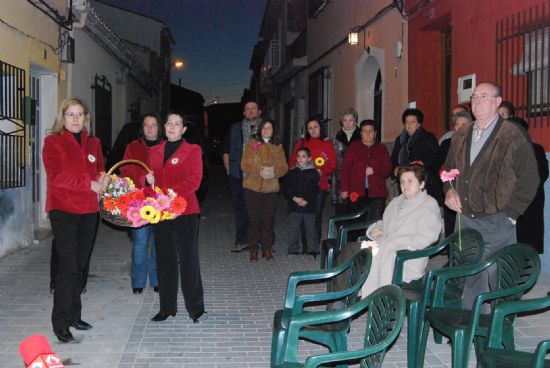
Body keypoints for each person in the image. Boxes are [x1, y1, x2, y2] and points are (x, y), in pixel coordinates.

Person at [444, 82, 539, 310]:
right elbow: (447, 169)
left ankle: (499, 329)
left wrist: (512, 214)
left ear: (497, 102)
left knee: (499, 278)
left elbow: (530, 178)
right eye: (474, 97)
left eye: (484, 96)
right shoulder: (461, 135)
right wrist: (449, 191)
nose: (477, 101)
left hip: (497, 220)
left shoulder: (512, 135)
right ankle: (472, 327)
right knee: (469, 276)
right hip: (465, 218)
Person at [43, 97, 109, 343]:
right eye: (71, 114)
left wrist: (103, 179)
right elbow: (56, 176)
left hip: (88, 211)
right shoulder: (53, 142)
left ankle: (74, 315)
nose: (75, 119)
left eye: (80, 114)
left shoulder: (94, 143)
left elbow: (100, 168)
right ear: (63, 117)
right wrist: (88, 183)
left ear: (86, 118)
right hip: (64, 211)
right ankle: (60, 322)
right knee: (68, 267)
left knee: (80, 266)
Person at [336, 165, 442, 297]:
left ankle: (342, 301)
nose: (405, 185)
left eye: (410, 181)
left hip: (403, 258)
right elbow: (384, 223)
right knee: (349, 249)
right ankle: (339, 299)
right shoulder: (397, 202)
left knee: (357, 258)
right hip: (382, 248)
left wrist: (394, 244)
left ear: (421, 184)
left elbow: (426, 238)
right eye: (402, 181)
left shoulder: (428, 205)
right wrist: (378, 229)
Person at [145, 112, 206, 323]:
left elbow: (194, 181)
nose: (172, 127)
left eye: (177, 124)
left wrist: (168, 195)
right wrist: (149, 183)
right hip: (160, 212)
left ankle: (195, 307)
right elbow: (151, 184)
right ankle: (167, 307)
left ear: (184, 129)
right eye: (169, 123)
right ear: (164, 126)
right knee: (165, 260)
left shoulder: (192, 150)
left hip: (185, 210)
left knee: (188, 259)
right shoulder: (154, 151)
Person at [119, 114, 162, 294]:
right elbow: (125, 170)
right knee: (140, 242)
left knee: (158, 244)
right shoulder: (133, 147)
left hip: (162, 203)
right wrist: (143, 179)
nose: (150, 128)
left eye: (153, 125)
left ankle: (157, 279)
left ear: (159, 127)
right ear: (142, 128)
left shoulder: (165, 147)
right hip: (139, 203)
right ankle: (138, 281)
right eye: (146, 125)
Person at [241, 119, 288, 262]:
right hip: (252, 188)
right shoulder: (252, 144)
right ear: (260, 130)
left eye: (269, 128)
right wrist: (259, 170)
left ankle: (267, 249)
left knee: (268, 221)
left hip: (270, 190)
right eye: (264, 128)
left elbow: (284, 167)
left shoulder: (278, 146)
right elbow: (244, 164)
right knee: (254, 220)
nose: (266, 130)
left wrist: (274, 172)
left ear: (274, 130)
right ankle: (253, 249)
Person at [289, 118, 337, 250]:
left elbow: (333, 164)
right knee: (303, 214)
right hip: (302, 186)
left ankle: (314, 244)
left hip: (319, 185)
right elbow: (292, 160)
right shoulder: (302, 142)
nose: (313, 130)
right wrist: (295, 172)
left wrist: (323, 171)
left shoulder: (327, 143)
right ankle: (305, 244)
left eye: (316, 127)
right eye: (310, 128)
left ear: (320, 128)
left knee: (316, 214)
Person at [223, 101, 261, 253]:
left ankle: (261, 240)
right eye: (248, 109)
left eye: (254, 108)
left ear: (259, 111)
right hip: (238, 176)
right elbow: (226, 150)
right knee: (240, 209)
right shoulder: (234, 128)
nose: (251, 111)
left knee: (260, 209)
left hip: (260, 177)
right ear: (244, 113)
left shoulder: (267, 127)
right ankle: (241, 241)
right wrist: (228, 169)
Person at [339, 119, 392, 219]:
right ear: (361, 133)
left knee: (374, 223)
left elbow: (388, 169)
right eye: (365, 131)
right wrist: (344, 189)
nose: (368, 134)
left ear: (375, 133)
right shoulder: (354, 147)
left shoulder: (381, 148)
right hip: (356, 192)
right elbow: (345, 169)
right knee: (356, 222)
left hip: (377, 193)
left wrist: (374, 170)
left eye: (370, 131)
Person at [512, 117, 549, 254]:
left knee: (527, 245)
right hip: (508, 206)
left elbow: (541, 175)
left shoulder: (535, 149)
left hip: (529, 204)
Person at [391, 108, 442, 204]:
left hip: (424, 181)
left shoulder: (428, 138)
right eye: (406, 122)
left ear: (419, 124)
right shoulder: (400, 139)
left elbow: (436, 158)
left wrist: (422, 163)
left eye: (412, 122)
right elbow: (393, 158)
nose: (409, 125)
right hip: (405, 180)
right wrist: (395, 168)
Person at [437, 111, 473, 237]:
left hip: (469, 190)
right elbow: (441, 165)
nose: (460, 127)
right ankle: (450, 249)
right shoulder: (448, 143)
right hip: (451, 186)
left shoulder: (475, 144)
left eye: (464, 123)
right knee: (451, 223)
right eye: (457, 124)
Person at [284, 147, 320, 256]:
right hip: (294, 206)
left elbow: (315, 189)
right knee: (294, 228)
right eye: (298, 156)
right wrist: (295, 198)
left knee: (310, 228)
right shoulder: (292, 173)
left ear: (309, 158)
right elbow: (286, 189)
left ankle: (312, 249)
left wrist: (307, 200)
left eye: (303, 156)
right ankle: (293, 249)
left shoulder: (314, 173)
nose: (300, 159)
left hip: (309, 206)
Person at [332, 108, 361, 214]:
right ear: (341, 122)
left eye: (350, 120)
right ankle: (340, 230)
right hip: (339, 178)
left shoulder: (362, 136)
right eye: (345, 120)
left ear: (355, 122)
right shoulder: (335, 138)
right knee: (341, 210)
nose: (348, 123)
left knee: (356, 208)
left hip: (357, 178)